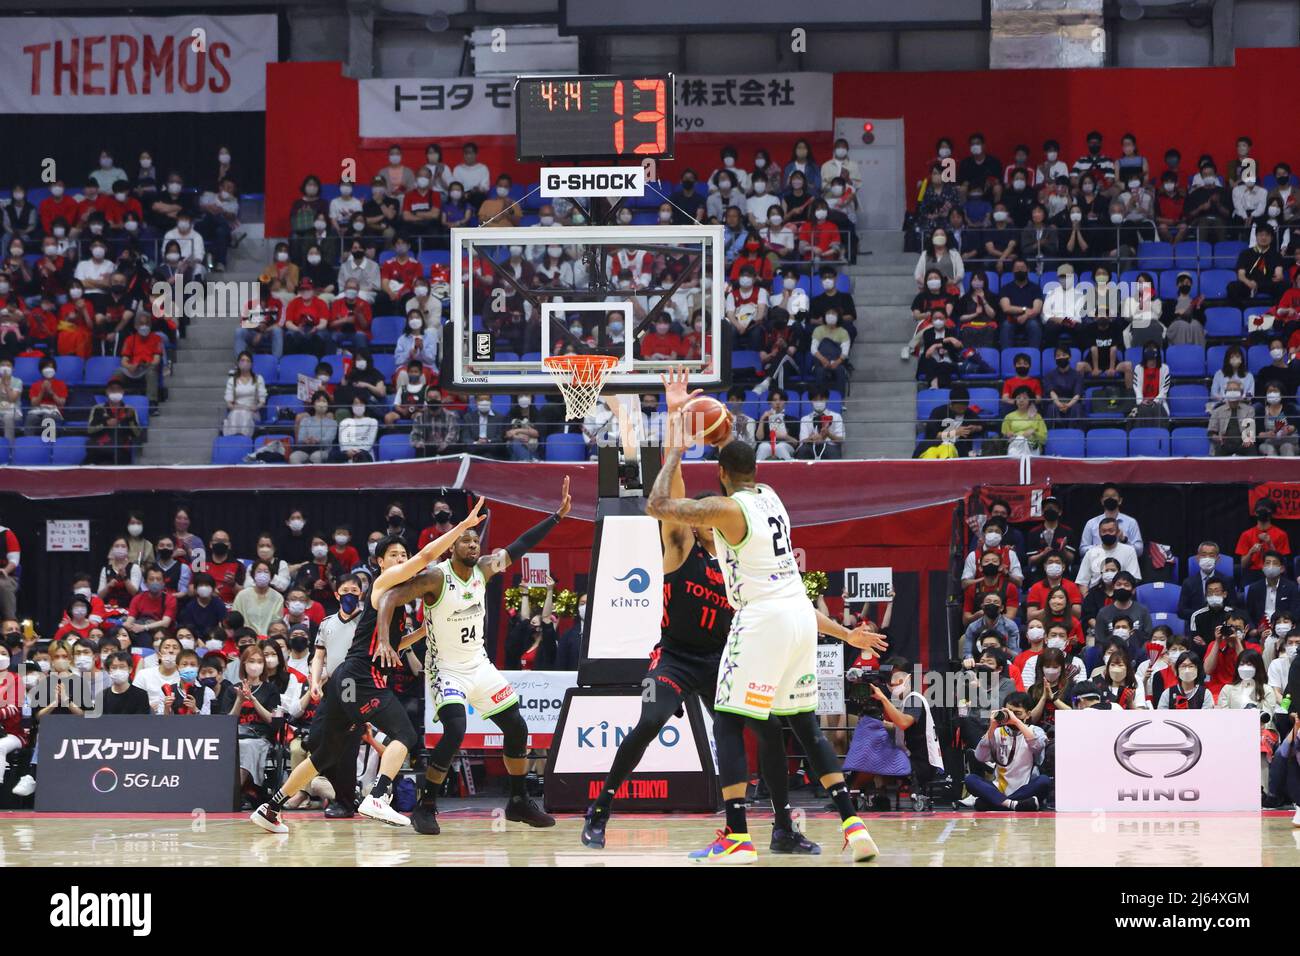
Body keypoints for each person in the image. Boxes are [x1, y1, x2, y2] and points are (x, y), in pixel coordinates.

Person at [645, 438, 882, 864]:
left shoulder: (729, 509)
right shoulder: (772, 499)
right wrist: (846, 636)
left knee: (729, 721)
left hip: (763, 619)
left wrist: (677, 449)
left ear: (720, 473)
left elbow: (659, 504)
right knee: (805, 728)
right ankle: (854, 824)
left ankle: (736, 837)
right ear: (756, 468)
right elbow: (785, 587)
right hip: (798, 619)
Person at [250, 507, 487, 833]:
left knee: (323, 757)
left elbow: (392, 645)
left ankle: (271, 808)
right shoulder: (385, 582)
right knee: (405, 734)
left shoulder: (400, 598)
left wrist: (423, 632)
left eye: (404, 554)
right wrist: (462, 525)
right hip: (362, 676)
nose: (402, 558)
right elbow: (429, 553)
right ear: (380, 563)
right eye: (395, 555)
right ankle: (378, 795)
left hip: (346, 678)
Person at [355, 481, 569, 836]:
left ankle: (518, 801)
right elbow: (390, 596)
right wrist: (384, 638)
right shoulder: (436, 577)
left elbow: (521, 545)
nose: (472, 544)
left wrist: (557, 517)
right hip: (447, 670)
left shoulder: (485, 568)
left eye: (475, 540)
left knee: (517, 727)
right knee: (456, 730)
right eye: (465, 540)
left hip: (479, 665)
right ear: (452, 546)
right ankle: (427, 806)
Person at [961, 694, 1051, 811]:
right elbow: (980, 756)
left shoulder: (1035, 730)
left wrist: (1017, 722)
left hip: (1026, 788)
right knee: (970, 779)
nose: (1012, 717)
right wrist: (992, 727)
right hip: (999, 788)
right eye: (1009, 712)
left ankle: (995, 802)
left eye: (1017, 713)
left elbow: (1037, 747)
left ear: (1028, 714)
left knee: (1044, 781)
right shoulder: (997, 731)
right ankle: (1014, 804)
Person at [1237, 499, 1291, 579]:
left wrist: (1270, 544)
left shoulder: (1281, 534)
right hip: (1253, 574)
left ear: (1272, 514)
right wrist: (1250, 552)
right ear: (1255, 513)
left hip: (1273, 572)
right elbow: (1243, 565)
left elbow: (1282, 563)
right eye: (1260, 510)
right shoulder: (1246, 535)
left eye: (1266, 510)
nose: (1263, 513)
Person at [1246, 550, 1300, 623]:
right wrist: (1253, 630)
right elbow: (1248, 614)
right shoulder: (1254, 588)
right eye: (1267, 563)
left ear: (1282, 569)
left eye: (1274, 563)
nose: (1270, 566)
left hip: (1283, 626)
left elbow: (1295, 613)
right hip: (1260, 629)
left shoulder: (1291, 587)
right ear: (1263, 567)